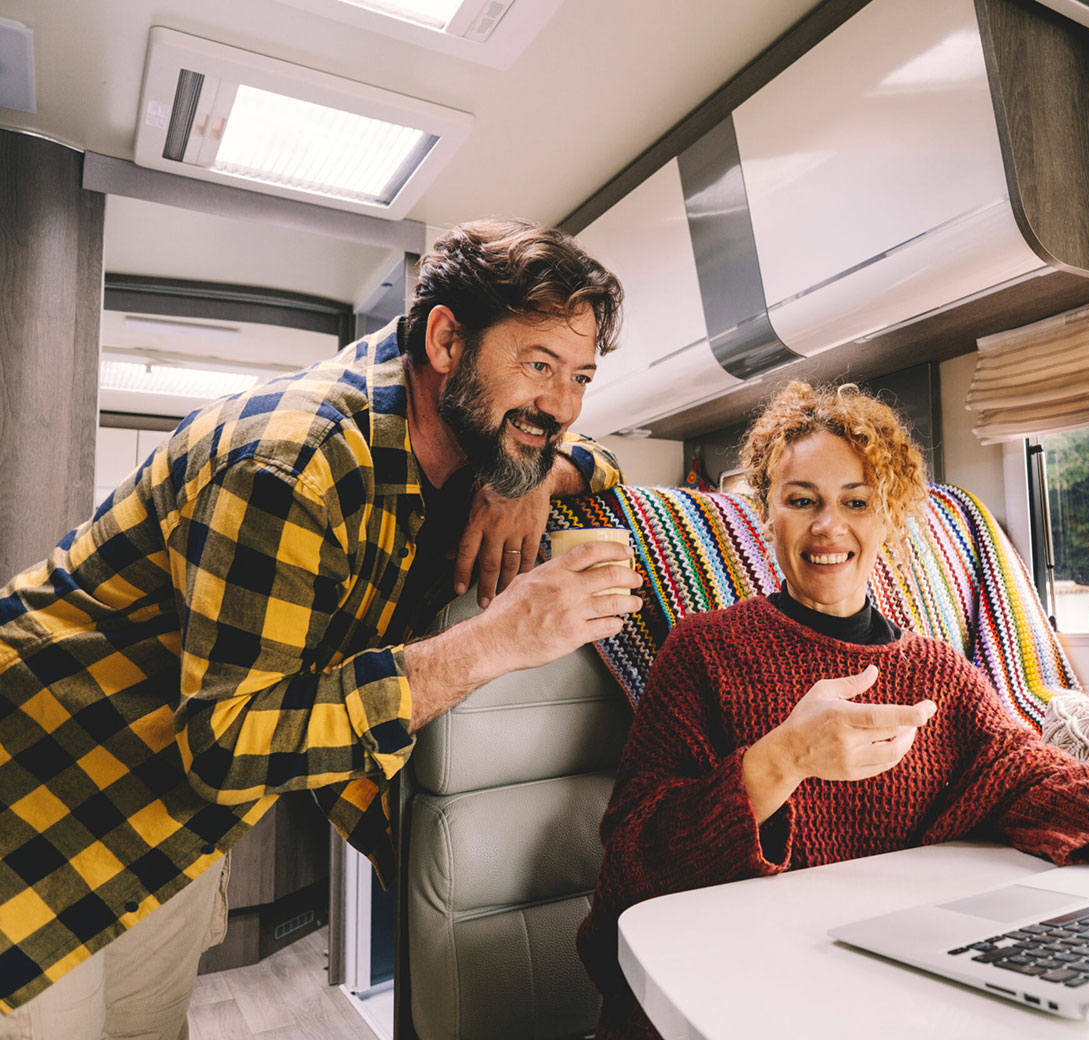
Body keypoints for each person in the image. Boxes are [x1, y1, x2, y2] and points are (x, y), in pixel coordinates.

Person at [575, 382, 1089, 1039]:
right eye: (801, 499)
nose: (828, 526)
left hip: (889, 993)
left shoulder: (936, 670)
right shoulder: (704, 651)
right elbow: (631, 866)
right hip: (739, 994)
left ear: (892, 518)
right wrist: (779, 761)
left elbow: (1046, 782)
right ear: (767, 512)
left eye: (856, 501)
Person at [0, 219, 646, 1037]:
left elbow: (594, 452)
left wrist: (535, 473)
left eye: (580, 375)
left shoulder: (451, 446)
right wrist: (496, 640)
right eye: (539, 365)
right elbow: (230, 741)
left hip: (167, 818)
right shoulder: (294, 464)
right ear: (446, 340)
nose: (561, 403)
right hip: (40, 788)